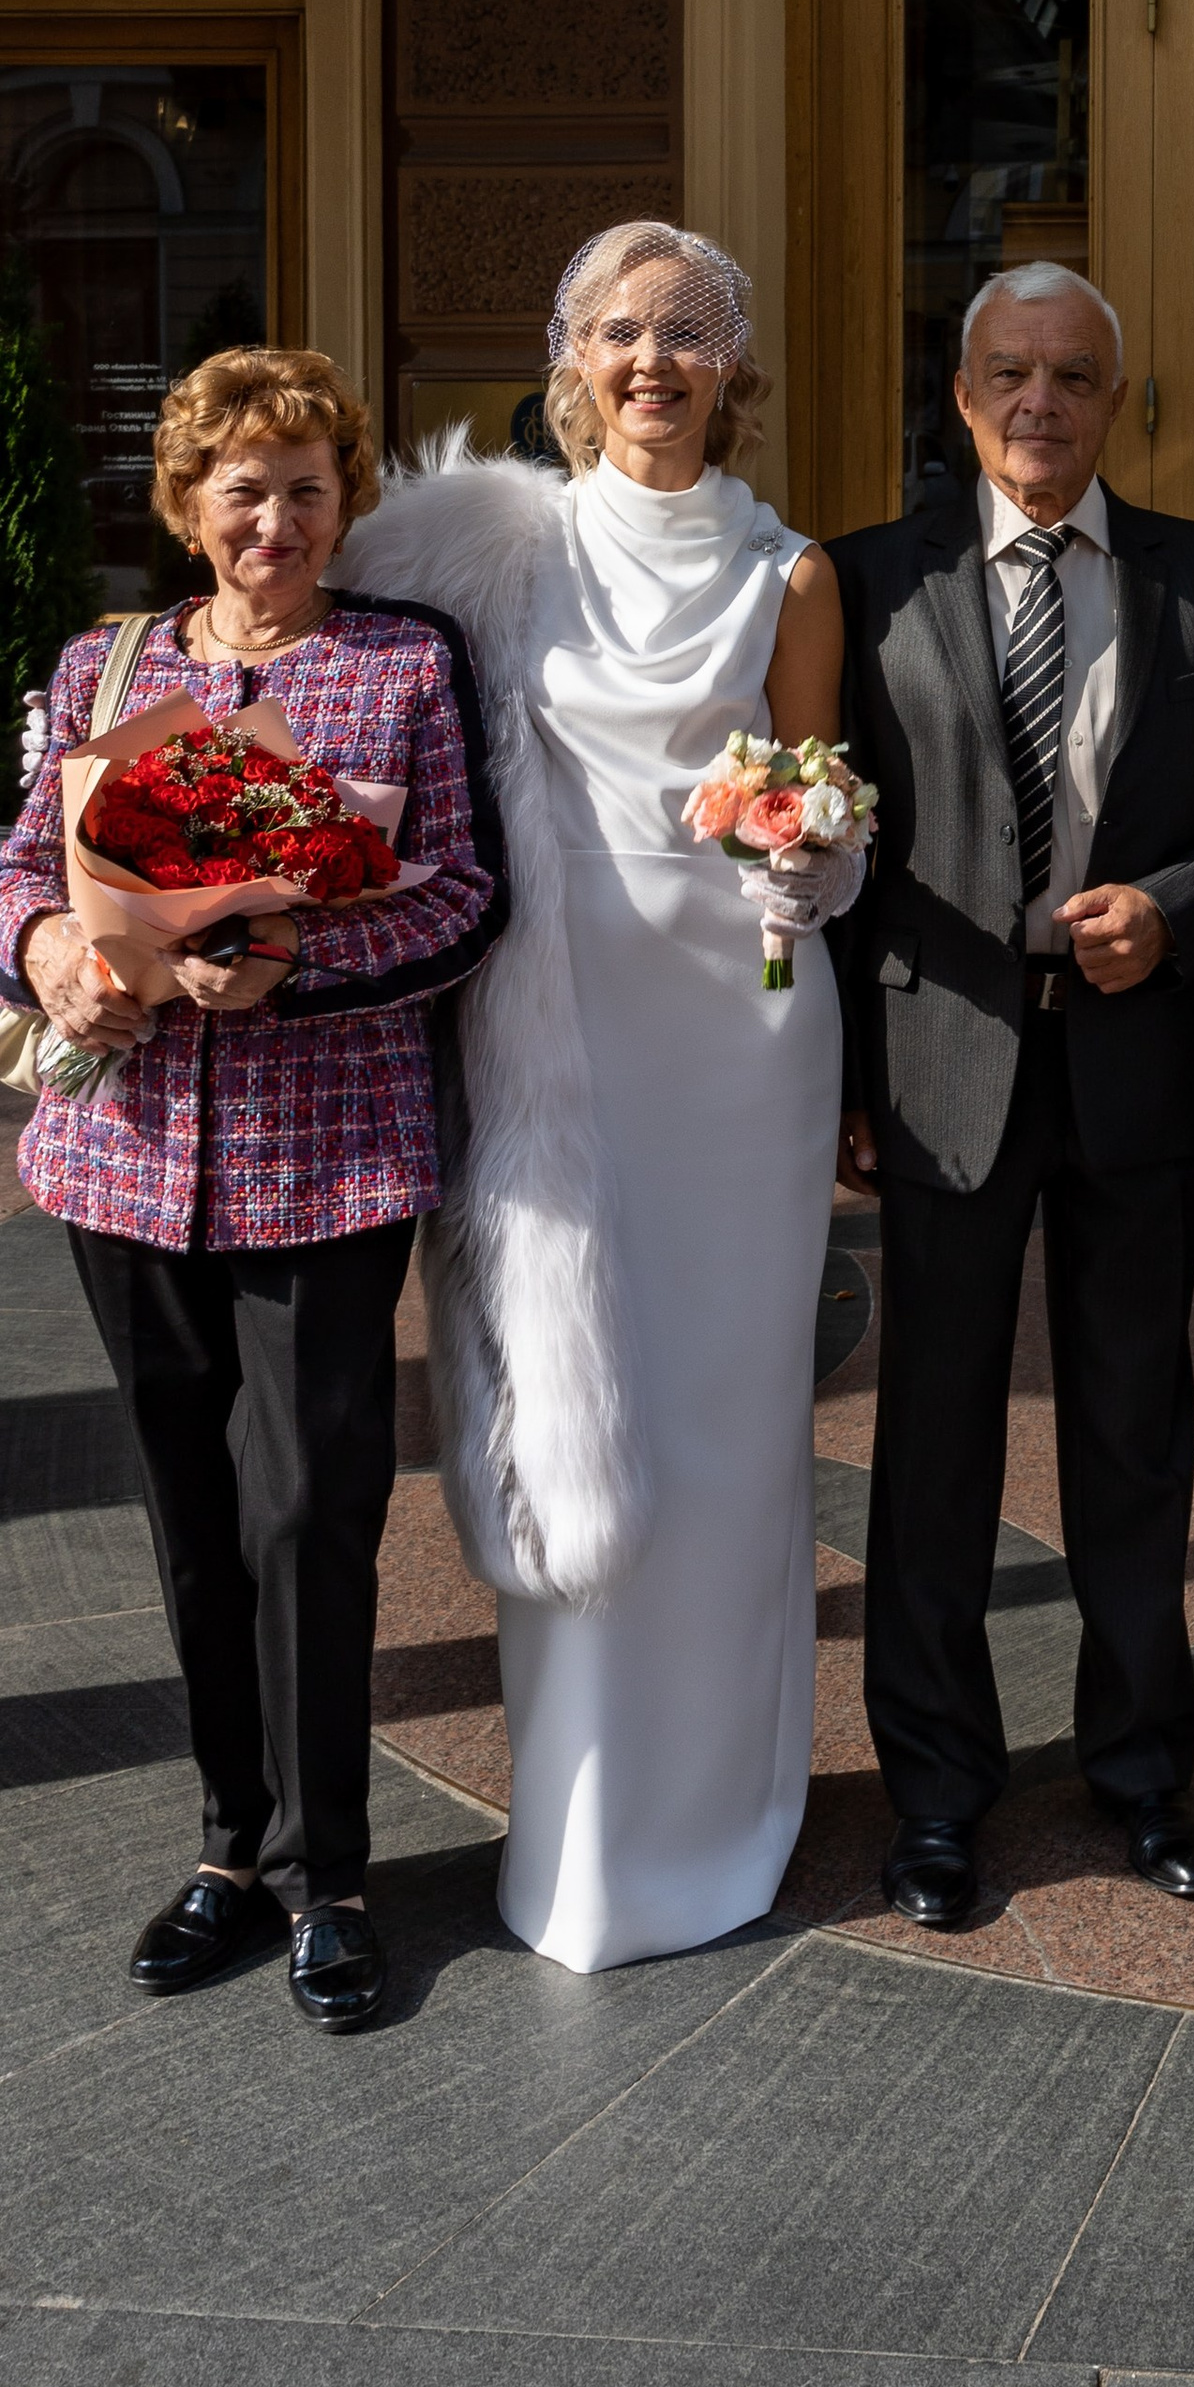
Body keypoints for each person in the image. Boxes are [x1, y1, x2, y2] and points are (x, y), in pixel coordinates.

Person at [339, 221, 856, 1971]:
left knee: (723, 1428)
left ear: (734, 367)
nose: (655, 362)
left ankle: (721, 1816)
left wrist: (815, 858)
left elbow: (812, 788)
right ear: (571, 366)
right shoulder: (494, 547)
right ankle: (574, 1843)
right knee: (567, 1396)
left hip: (743, 1039)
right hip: (556, 1031)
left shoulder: (791, 571)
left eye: (689, 332)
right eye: (621, 333)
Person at [0, 347, 505, 2034]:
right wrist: (52, 947)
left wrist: (288, 963)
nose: (275, 519)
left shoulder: (405, 664)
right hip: (121, 1158)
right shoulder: (102, 663)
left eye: (308, 487)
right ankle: (226, 1851)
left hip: (325, 1153)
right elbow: (7, 872)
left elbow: (464, 905)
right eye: (244, 488)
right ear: (189, 505)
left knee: (310, 1510)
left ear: (348, 502)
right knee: (187, 1510)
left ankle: (331, 1875)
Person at [832, 261, 1194, 1927]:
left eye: (1075, 376)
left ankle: (1143, 1775)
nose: (1042, 402)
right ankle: (938, 1796)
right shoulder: (867, 579)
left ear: (1120, 400)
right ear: (963, 398)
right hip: (941, 1063)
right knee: (935, 1446)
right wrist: (840, 1081)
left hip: (1136, 1069)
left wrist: (1178, 907)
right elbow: (828, 846)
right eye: (1011, 374)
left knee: (1131, 1435)